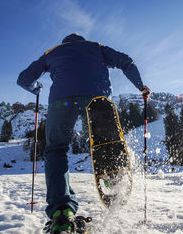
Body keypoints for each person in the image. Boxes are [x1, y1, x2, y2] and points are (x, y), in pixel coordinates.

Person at [17, 33, 151, 233]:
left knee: (56, 150)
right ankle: (114, 182)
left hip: (61, 101)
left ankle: (61, 212)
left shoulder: (51, 53)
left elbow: (23, 79)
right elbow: (126, 62)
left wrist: (36, 89)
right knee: (106, 144)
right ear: (81, 42)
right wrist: (140, 86)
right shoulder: (96, 47)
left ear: (65, 44)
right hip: (97, 98)